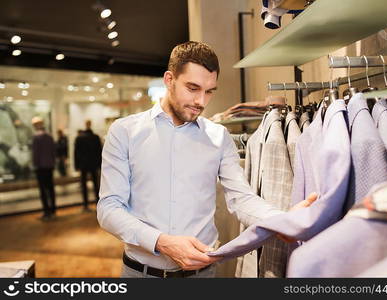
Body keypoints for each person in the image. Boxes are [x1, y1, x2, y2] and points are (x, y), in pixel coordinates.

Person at [97, 41, 317, 278]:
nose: (201, 101)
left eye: (209, 91)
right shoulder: (125, 132)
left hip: (203, 275)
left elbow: (241, 199)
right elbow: (109, 209)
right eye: (193, 88)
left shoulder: (218, 136)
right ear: (169, 80)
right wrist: (161, 241)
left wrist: (281, 219)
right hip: (140, 274)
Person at [31, 116, 56, 220]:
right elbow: (54, 152)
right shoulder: (49, 136)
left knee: (43, 190)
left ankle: (47, 212)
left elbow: (35, 154)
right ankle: (53, 209)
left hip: (41, 167)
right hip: (49, 166)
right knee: (50, 189)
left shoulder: (36, 138)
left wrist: (35, 164)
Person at [74, 121, 102, 210]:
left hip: (83, 164)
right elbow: (99, 152)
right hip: (93, 164)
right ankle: (98, 202)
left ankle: (85, 204)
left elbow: (76, 153)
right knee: (96, 184)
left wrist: (77, 165)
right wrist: (99, 164)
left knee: (84, 184)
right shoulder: (95, 137)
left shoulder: (79, 138)